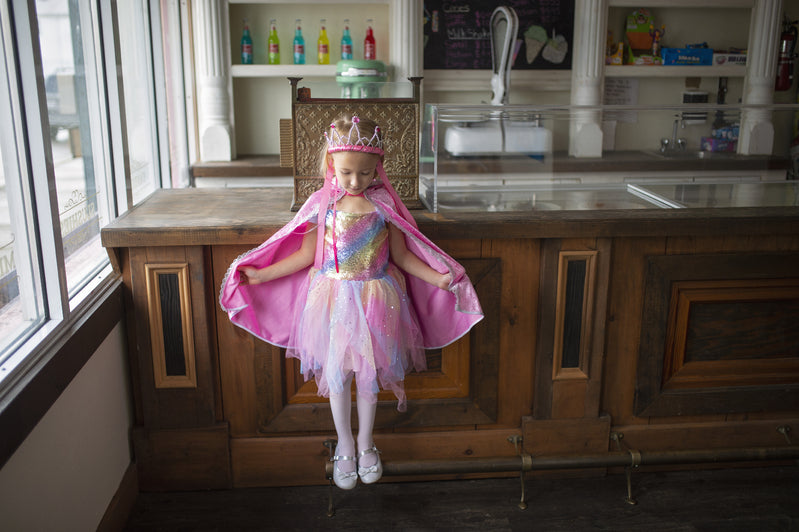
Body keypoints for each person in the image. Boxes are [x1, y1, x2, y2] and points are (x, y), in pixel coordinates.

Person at [219, 115, 483, 490]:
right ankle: (344, 442)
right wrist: (262, 275)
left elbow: (403, 258)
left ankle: (366, 442)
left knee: (369, 374)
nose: (355, 181)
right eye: (346, 173)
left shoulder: (383, 206)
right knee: (338, 375)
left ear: (378, 168)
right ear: (331, 164)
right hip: (331, 301)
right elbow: (306, 255)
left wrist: (437, 277)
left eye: (364, 173)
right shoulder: (323, 205)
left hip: (377, 299)